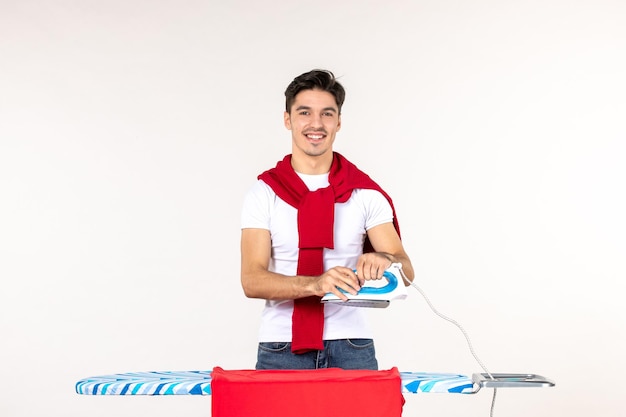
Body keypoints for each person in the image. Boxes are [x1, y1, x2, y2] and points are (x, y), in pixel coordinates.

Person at [240, 69, 414, 370]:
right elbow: (252, 280)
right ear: (287, 119)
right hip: (280, 346)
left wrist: (384, 260)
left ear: (338, 122)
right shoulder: (264, 193)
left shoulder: (364, 193)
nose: (316, 124)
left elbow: (406, 271)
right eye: (304, 112)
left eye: (327, 114)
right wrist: (315, 284)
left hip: (351, 345)